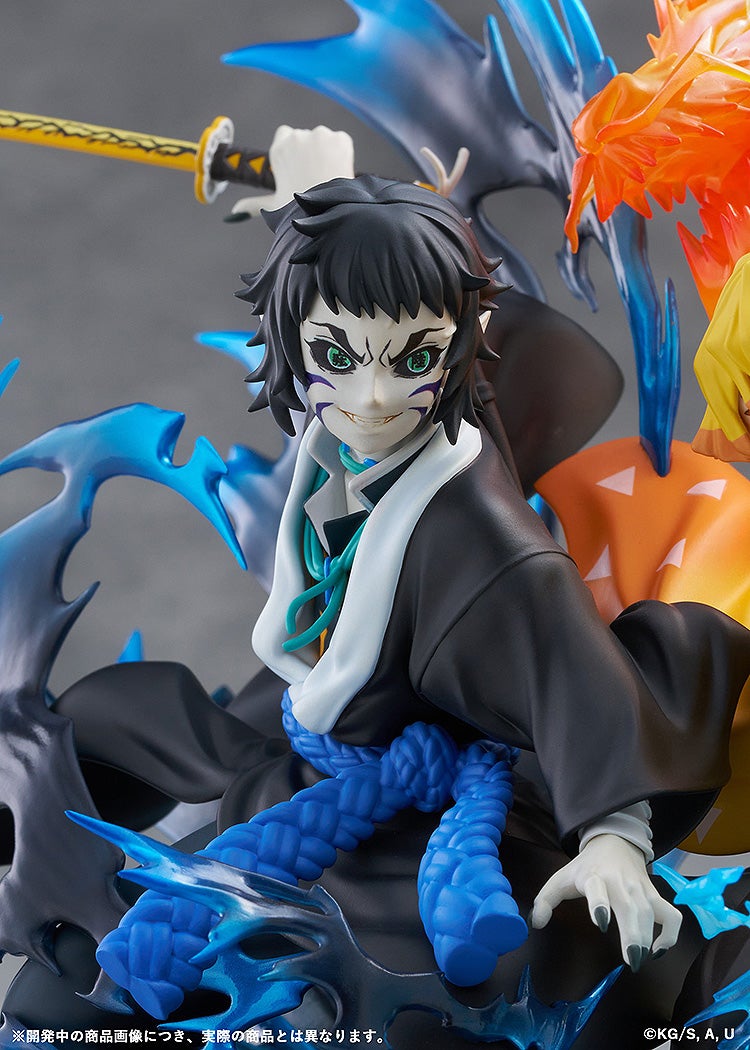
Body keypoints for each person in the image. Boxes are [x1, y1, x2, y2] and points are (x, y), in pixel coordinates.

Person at [81, 174, 750, 1045]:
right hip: (321, 744)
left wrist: (613, 837)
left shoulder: (487, 536)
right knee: (108, 739)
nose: (373, 399)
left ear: (459, 349)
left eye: (411, 362)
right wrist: (317, 199)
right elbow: (377, 290)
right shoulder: (361, 440)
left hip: (441, 789)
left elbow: (570, 666)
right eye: (337, 357)